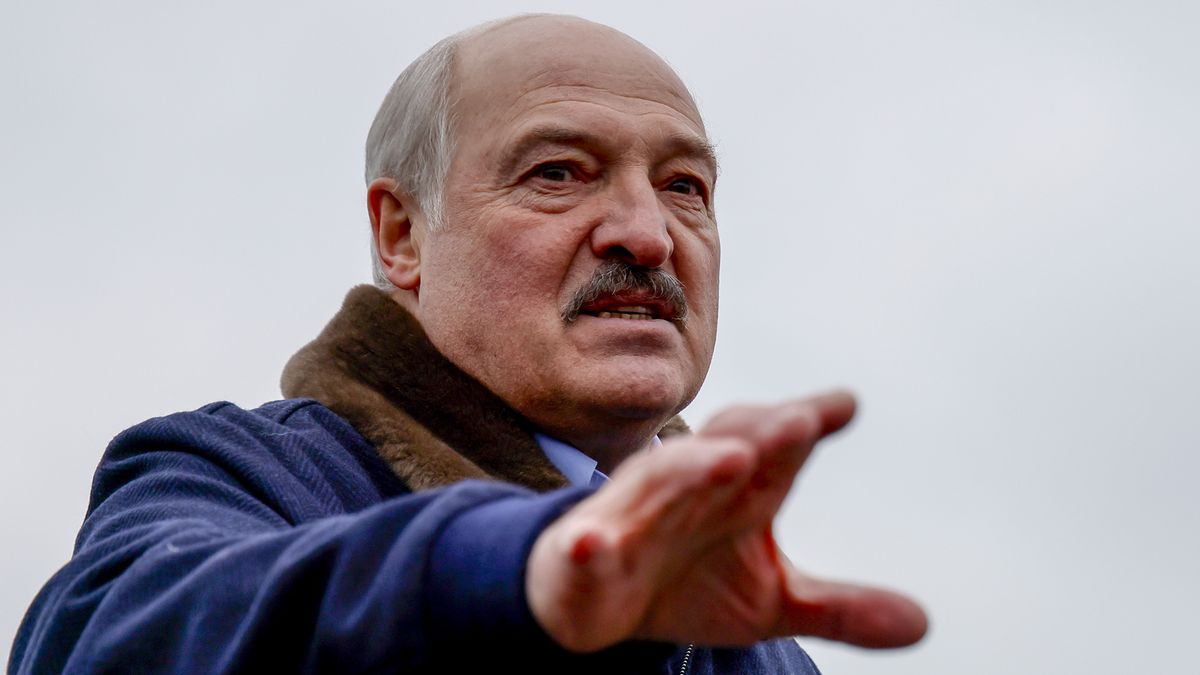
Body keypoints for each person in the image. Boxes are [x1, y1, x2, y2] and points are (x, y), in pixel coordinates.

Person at [9, 14, 927, 674]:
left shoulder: (764, 652)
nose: (647, 232)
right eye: (559, 172)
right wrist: (517, 575)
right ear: (402, 236)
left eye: (685, 185)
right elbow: (106, 636)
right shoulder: (237, 472)